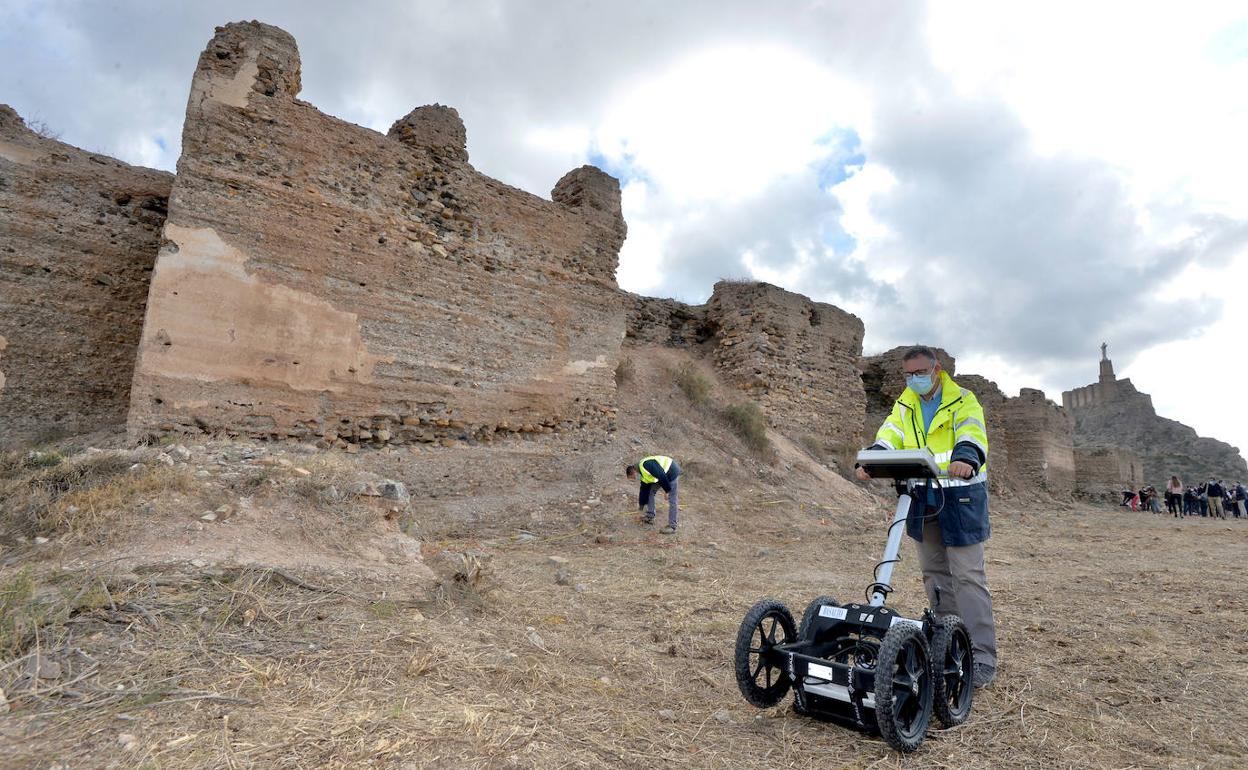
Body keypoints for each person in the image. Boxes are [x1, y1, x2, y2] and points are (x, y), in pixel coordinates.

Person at [855, 346, 997, 689]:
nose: (913, 379)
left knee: (967, 577)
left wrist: (967, 456)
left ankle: (981, 657)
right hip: (922, 498)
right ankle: (948, 644)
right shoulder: (905, 404)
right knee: (934, 574)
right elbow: (889, 434)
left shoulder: (963, 399)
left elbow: (971, 432)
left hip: (960, 497)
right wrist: (872, 459)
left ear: (936, 371)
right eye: (908, 374)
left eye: (919, 373)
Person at [626, 455, 682, 534]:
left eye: (633, 477)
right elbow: (643, 491)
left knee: (672, 499)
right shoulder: (642, 473)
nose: (635, 479)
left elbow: (661, 474)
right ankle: (650, 516)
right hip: (662, 475)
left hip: (671, 471)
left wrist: (667, 490)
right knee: (649, 492)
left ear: (634, 471)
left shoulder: (646, 465)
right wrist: (640, 509)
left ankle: (672, 526)